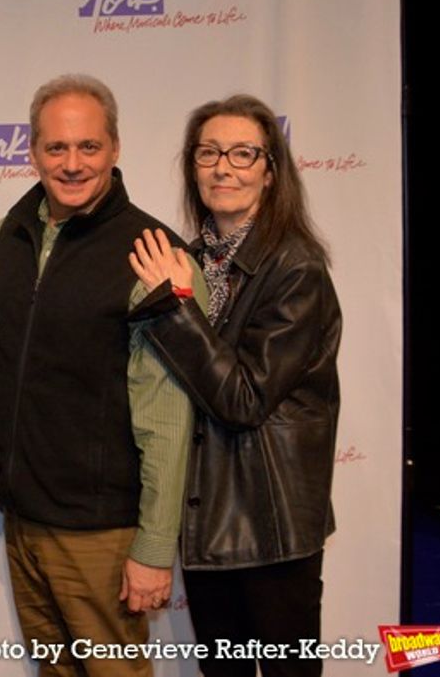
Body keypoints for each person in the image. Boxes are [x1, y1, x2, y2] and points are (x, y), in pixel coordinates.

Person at [0, 74, 205, 677]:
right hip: (23, 520)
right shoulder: (8, 236)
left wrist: (155, 546)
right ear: (32, 151)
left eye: (88, 147)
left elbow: (168, 416)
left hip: (103, 533)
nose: (72, 164)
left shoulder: (154, 253)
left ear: (115, 148)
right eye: (56, 148)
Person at [127, 94, 341, 677]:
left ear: (271, 172)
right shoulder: (194, 259)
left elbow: (244, 398)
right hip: (206, 519)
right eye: (209, 152)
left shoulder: (295, 266)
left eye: (243, 153)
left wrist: (173, 306)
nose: (224, 167)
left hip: (270, 526)